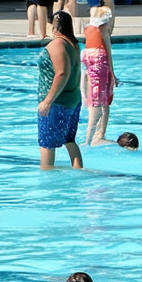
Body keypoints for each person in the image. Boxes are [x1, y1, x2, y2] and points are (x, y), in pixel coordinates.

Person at [37, 11, 83, 170]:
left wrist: (47, 101)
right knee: (70, 140)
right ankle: (78, 171)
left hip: (58, 102)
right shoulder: (73, 44)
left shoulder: (57, 44)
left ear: (54, 26)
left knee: (46, 143)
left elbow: (62, 73)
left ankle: (47, 178)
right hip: (73, 99)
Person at [80, 11, 117, 146]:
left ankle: (98, 134)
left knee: (101, 101)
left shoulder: (89, 29)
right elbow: (108, 52)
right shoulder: (103, 30)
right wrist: (113, 73)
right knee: (99, 103)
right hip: (100, 63)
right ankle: (91, 138)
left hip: (91, 62)